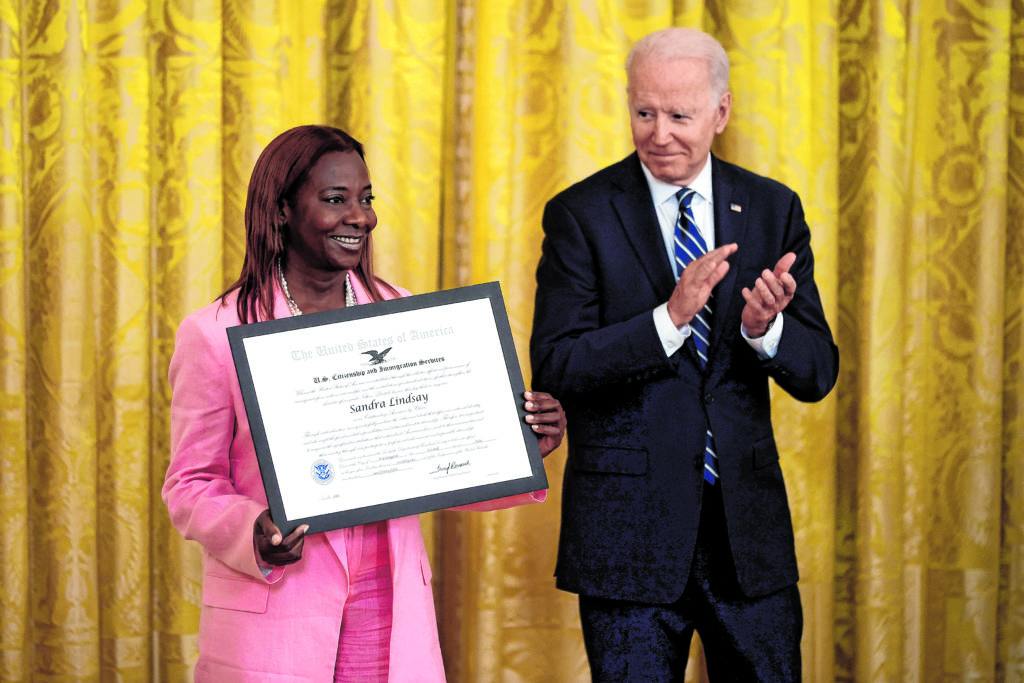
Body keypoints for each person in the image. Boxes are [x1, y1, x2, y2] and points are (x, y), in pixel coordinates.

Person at [163, 124, 566, 682]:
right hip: (277, 610)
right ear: (281, 210)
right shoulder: (214, 332)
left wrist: (522, 444)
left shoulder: (403, 312)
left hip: (390, 603)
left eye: (366, 199)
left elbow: (436, 457)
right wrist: (252, 527)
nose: (361, 216)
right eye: (336, 200)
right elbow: (190, 483)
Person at [529, 27, 839, 681]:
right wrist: (668, 320)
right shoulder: (580, 214)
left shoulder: (771, 209)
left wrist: (766, 331)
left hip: (747, 543)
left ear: (721, 112)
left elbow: (818, 372)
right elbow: (557, 362)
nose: (659, 133)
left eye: (679, 114)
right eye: (644, 112)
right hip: (626, 540)